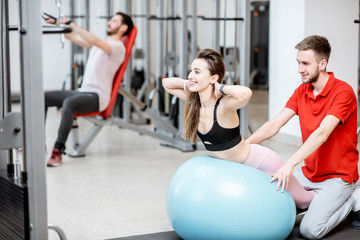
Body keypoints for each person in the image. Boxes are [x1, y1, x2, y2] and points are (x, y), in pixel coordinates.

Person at [162, 48, 315, 210]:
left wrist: (220, 88)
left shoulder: (224, 105)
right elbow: (167, 84)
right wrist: (191, 83)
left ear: (213, 77)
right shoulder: (194, 103)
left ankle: (335, 196)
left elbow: (246, 94)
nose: (191, 75)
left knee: (304, 201)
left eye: (197, 72)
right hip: (238, 170)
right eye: (190, 71)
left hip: (261, 163)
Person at [247, 35, 360, 239]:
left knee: (310, 230)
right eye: (298, 62)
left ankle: (352, 199)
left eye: (306, 63)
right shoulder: (302, 91)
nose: (300, 69)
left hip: (338, 177)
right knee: (270, 205)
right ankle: (317, 200)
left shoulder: (343, 92)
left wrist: (289, 163)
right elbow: (275, 124)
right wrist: (244, 146)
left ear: (322, 64)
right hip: (309, 173)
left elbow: (322, 133)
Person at [44, 12, 134, 167]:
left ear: (123, 27)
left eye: (114, 21)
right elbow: (74, 37)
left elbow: (93, 39)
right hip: (82, 91)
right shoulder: (99, 45)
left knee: (69, 102)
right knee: (43, 97)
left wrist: (71, 23)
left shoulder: (118, 47)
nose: (109, 23)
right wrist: (58, 25)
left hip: (97, 97)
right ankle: (39, 142)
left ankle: (57, 151)